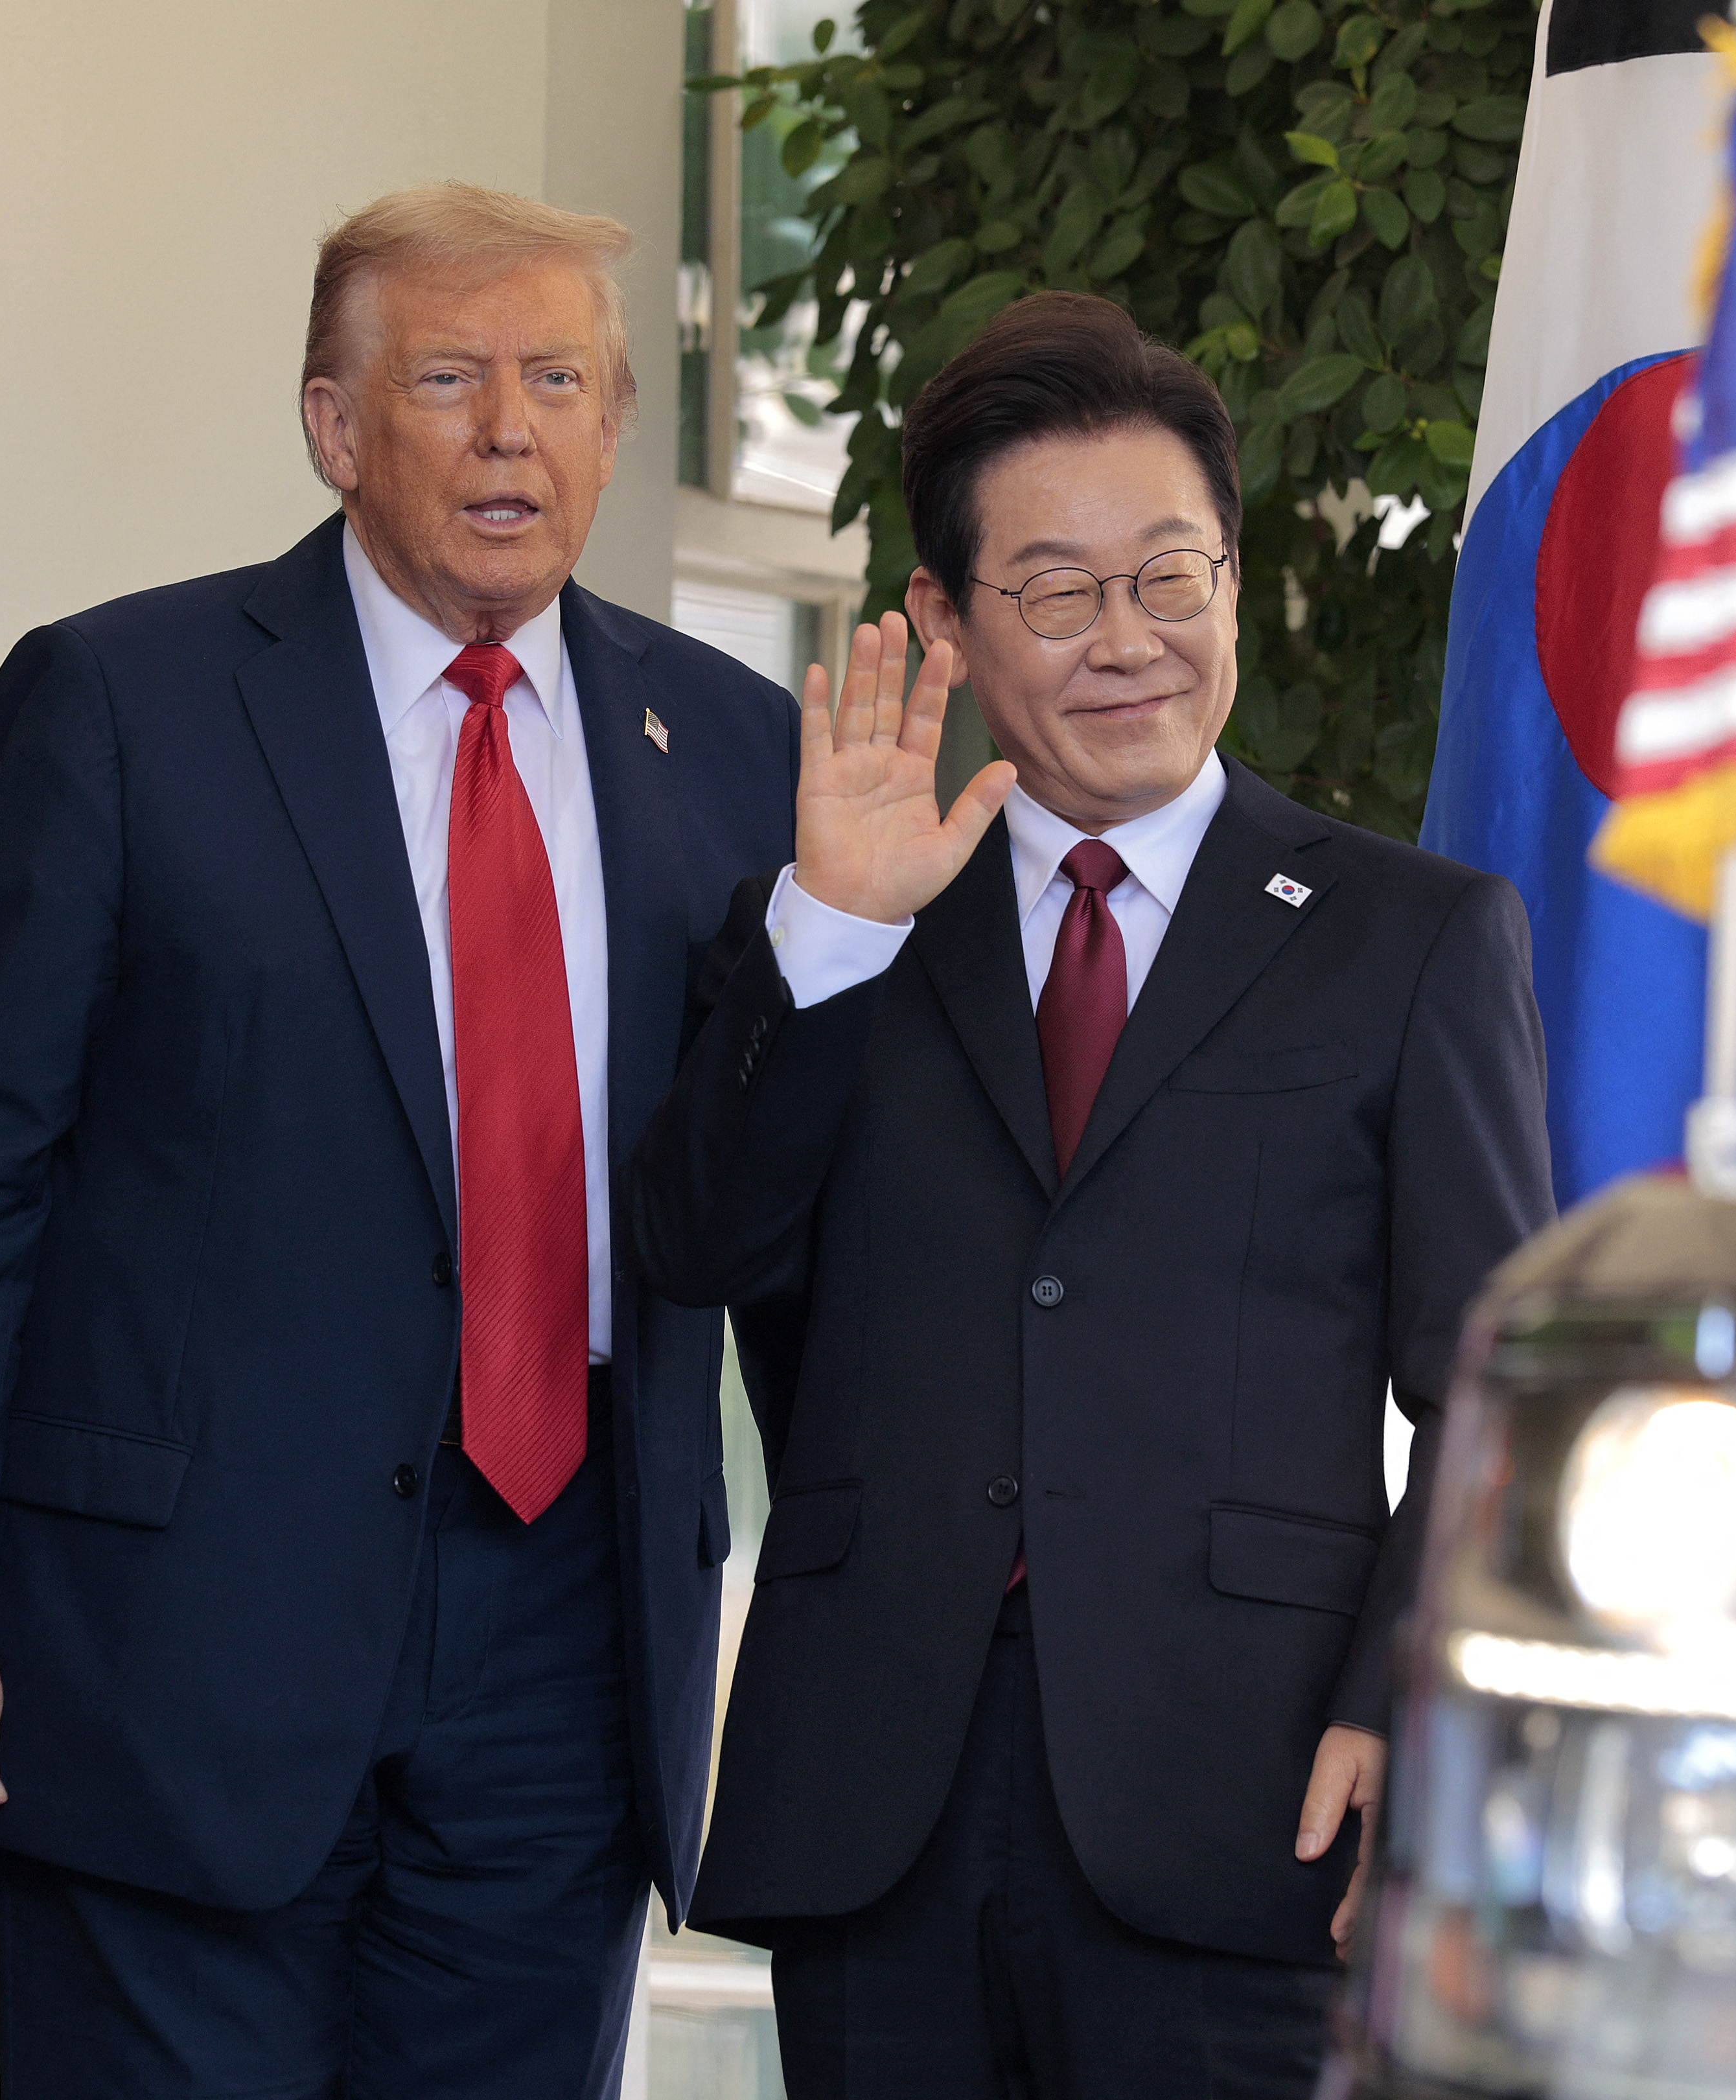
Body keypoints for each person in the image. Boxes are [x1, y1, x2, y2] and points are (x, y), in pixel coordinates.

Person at [0, 183, 797, 2095]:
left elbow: (768, 1190)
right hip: (169, 1658)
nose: (511, 430)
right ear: (333, 425)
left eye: (560, 378)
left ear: (616, 423)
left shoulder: (731, 745)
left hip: (568, 1649)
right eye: (452, 378)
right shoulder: (120, 705)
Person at [629, 290, 1558, 2096]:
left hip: (1246, 1786)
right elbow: (696, 1245)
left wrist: (1404, 1691)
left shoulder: (1409, 937)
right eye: (1057, 592)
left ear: (1230, 576)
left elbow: (1491, 1377)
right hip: (877, 1785)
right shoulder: (835, 918)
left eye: (1169, 577)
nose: (1127, 639)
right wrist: (828, 931)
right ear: (949, 625)